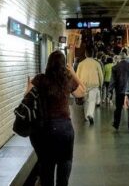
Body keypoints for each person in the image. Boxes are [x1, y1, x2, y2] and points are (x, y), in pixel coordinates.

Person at [28, 51, 86, 186]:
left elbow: (27, 95)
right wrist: (72, 72)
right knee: (64, 165)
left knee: (47, 168)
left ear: (48, 63)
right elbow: (83, 91)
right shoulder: (67, 80)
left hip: (46, 129)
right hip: (65, 129)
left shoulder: (40, 79)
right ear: (62, 65)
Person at [76, 49, 104, 124]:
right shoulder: (96, 63)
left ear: (85, 54)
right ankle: (90, 114)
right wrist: (101, 84)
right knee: (92, 101)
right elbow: (100, 75)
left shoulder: (81, 64)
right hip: (94, 85)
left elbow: (77, 76)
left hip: (83, 85)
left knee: (85, 101)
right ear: (93, 54)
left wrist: (77, 86)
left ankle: (86, 117)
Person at [110, 51, 129, 132]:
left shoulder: (115, 67)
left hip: (119, 91)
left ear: (119, 58)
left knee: (118, 108)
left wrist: (110, 90)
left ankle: (116, 125)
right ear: (126, 57)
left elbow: (112, 81)